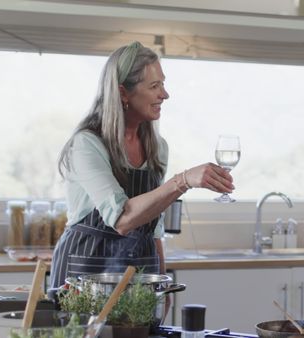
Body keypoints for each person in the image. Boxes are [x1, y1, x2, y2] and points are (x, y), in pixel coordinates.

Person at [50, 41, 234, 290]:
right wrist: (183, 181)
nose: (164, 94)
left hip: (141, 267)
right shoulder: (87, 144)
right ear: (123, 93)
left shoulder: (157, 147)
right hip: (86, 269)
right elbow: (122, 219)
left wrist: (161, 280)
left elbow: (154, 225)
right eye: (154, 86)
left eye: (163, 84)